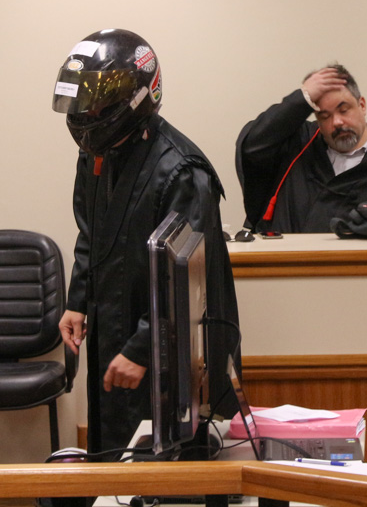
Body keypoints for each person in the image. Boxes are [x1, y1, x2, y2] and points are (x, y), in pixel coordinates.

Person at [52, 29, 240, 455]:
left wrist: (143, 349)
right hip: (111, 328)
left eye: (98, 104)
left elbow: (187, 282)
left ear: (134, 98)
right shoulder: (97, 153)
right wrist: (77, 300)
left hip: (169, 350)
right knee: (111, 449)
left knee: (160, 461)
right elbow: (91, 233)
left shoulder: (182, 172)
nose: (88, 113)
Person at [236, 64, 367, 233]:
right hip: (283, 259)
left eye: (344, 110)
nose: (337, 122)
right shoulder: (297, 145)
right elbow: (252, 147)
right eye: (325, 116)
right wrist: (302, 98)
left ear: (362, 105)